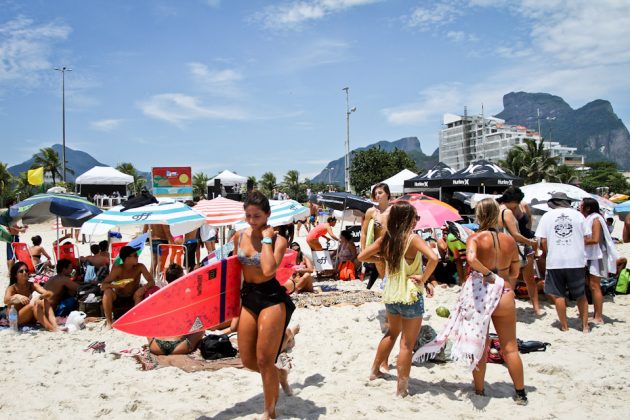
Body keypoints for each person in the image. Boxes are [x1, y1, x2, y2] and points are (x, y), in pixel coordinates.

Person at [358, 201, 438, 397]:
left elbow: (362, 256)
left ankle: (375, 371)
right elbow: (434, 258)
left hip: (391, 293)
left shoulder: (386, 239)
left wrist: (381, 259)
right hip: (410, 293)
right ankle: (401, 389)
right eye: (415, 217)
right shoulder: (413, 239)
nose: (416, 221)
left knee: (391, 333)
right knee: (407, 344)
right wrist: (424, 278)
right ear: (408, 219)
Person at [233, 191, 295, 419]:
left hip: (271, 299)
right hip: (248, 297)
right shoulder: (239, 236)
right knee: (248, 360)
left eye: (256, 216)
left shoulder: (279, 240)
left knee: (263, 360)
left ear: (268, 214)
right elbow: (233, 274)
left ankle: (270, 412)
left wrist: (267, 239)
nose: (251, 221)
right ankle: (279, 375)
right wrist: (233, 310)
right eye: (248, 215)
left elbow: (269, 270)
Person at [463, 198, 527, 404]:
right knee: (510, 347)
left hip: (482, 293)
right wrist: (503, 278)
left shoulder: (475, 238)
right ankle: (520, 393)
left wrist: (488, 273)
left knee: (480, 345)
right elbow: (517, 270)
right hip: (505, 292)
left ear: (479, 215)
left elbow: (471, 260)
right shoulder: (509, 240)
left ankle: (480, 390)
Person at [535, 192, 591, 333]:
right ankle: (585, 326)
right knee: (580, 294)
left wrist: (550, 252)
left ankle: (564, 326)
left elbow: (542, 241)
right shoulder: (578, 215)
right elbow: (586, 237)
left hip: (555, 261)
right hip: (576, 260)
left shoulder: (547, 216)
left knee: (559, 295)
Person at [497, 187, 541, 315]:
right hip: (519, 246)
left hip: (509, 248)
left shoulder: (499, 209)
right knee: (522, 279)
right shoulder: (507, 212)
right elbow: (516, 234)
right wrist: (531, 242)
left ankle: (510, 307)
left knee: (511, 279)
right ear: (514, 200)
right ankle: (533, 308)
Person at [147, 264, 205, 355]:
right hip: (180, 346)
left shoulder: (159, 296)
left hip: (156, 346)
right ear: (181, 278)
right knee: (201, 327)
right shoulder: (188, 296)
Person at [580, 197, 619, 324]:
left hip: (597, 255)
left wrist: (579, 240)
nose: (579, 207)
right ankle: (595, 313)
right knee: (590, 285)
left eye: (581, 205)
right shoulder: (590, 219)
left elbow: (595, 239)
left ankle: (598, 316)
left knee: (595, 285)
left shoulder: (595, 219)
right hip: (592, 255)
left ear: (587, 207)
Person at [101, 245, 155, 329]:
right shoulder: (118, 269)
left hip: (134, 296)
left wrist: (144, 288)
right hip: (119, 296)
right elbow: (103, 286)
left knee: (139, 293)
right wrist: (115, 285)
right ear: (127, 258)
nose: (137, 257)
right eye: (135, 255)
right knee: (107, 292)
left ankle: (136, 320)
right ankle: (109, 322)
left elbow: (152, 281)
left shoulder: (140, 267)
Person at [4, 261, 58, 331]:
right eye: (21, 271)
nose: (25, 272)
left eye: (26, 270)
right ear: (15, 275)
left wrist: (40, 297)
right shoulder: (12, 288)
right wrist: (17, 296)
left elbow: (49, 293)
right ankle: (51, 328)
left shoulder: (31, 285)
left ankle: (55, 326)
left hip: (28, 316)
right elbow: (6, 300)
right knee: (33, 305)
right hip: (15, 319)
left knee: (44, 301)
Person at [360, 183, 391, 287]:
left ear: (387, 194)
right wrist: (363, 248)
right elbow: (364, 232)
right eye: (375, 193)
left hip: (392, 247)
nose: (377, 195)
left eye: (380, 192)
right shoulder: (371, 211)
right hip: (378, 248)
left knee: (391, 278)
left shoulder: (394, 210)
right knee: (384, 279)